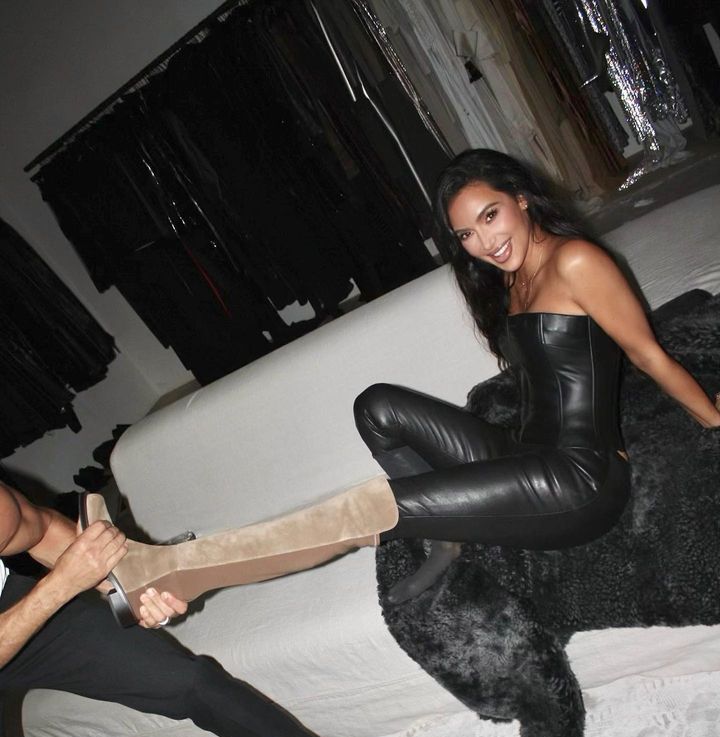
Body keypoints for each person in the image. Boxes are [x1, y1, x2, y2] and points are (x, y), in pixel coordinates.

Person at [84, 149, 720, 618]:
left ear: (522, 198)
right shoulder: (510, 277)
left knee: (371, 508)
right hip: (523, 454)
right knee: (378, 406)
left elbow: (647, 354)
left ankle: (176, 571)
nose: (485, 243)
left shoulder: (577, 260)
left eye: (491, 216)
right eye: (466, 234)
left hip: (578, 484)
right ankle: (447, 534)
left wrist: (715, 421)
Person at [0, 483, 433, 737]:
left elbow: (36, 527)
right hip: (35, 606)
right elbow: (60, 582)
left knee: (190, 683)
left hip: (17, 608)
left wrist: (124, 584)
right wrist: (61, 585)